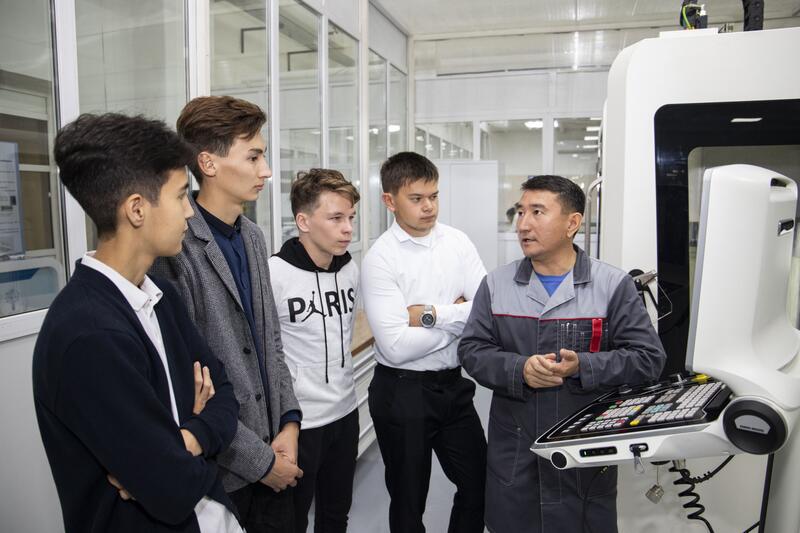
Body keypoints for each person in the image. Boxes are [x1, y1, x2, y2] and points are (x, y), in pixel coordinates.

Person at [32, 113, 242, 533]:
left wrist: (185, 439)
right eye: (180, 196)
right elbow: (171, 486)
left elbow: (226, 396)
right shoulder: (89, 336)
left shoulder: (161, 297)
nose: (190, 212)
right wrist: (194, 440)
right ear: (136, 209)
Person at [458, 175, 667, 533]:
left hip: (584, 450)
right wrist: (519, 369)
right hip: (517, 449)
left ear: (572, 223)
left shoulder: (611, 285)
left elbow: (648, 359)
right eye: (520, 212)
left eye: (537, 212)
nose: (523, 224)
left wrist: (583, 366)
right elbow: (472, 350)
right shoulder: (496, 285)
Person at [150, 96, 302, 533]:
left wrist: (289, 424)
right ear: (208, 163)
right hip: (224, 472)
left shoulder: (252, 236)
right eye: (253, 157)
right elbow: (189, 384)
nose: (266, 171)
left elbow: (271, 341)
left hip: (277, 448)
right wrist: (260, 462)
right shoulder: (175, 251)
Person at [361, 151, 488, 533]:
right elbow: (397, 346)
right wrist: (459, 318)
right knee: (408, 501)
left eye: (433, 196)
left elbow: (487, 308)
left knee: (480, 485)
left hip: (453, 386)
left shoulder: (457, 242)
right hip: (402, 392)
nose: (429, 206)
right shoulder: (380, 258)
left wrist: (431, 315)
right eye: (416, 199)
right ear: (390, 200)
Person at [268, 169, 361, 533]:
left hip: (345, 411)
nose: (347, 229)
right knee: (291, 522)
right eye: (336, 218)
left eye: (350, 217)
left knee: (336, 516)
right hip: (300, 423)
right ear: (303, 222)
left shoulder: (350, 269)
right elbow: (267, 352)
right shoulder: (274, 273)